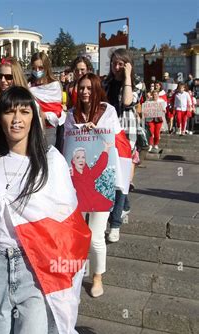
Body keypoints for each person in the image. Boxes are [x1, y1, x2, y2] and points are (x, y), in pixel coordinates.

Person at [0, 86, 91, 334]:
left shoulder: (51, 162)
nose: (17, 119)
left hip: (33, 265)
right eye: (9, 112)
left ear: (34, 116)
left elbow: (67, 222)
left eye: (24, 111)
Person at [64, 73, 132, 298]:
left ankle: (97, 277)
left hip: (102, 183)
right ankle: (78, 271)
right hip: (77, 185)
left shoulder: (108, 111)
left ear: (96, 90)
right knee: (78, 233)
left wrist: (95, 131)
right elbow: (67, 144)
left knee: (95, 235)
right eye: (81, 88)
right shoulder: (72, 114)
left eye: (89, 88)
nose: (84, 92)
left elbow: (113, 144)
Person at [102, 48, 140, 243]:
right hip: (107, 134)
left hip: (126, 134)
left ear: (127, 65)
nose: (116, 67)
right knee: (111, 177)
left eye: (120, 64)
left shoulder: (135, 84)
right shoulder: (106, 83)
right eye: (114, 63)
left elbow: (127, 102)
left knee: (120, 180)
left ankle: (115, 224)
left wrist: (127, 77)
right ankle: (124, 206)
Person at [28, 52, 66, 148]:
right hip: (32, 129)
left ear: (46, 67)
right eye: (34, 68)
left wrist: (43, 115)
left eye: (40, 68)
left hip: (50, 129)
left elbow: (56, 110)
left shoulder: (54, 85)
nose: (37, 71)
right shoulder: (28, 85)